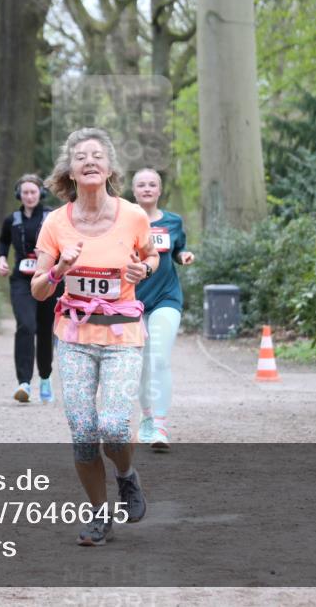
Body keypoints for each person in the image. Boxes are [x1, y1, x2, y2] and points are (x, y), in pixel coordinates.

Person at [31, 127, 159, 546]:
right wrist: (58, 270)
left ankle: (126, 476)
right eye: (80, 156)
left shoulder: (133, 216)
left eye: (97, 155)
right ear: (69, 169)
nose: (89, 161)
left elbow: (150, 255)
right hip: (73, 337)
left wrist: (146, 269)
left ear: (109, 168)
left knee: (116, 426)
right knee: (84, 431)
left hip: (122, 336)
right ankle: (99, 514)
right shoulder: (54, 223)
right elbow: (38, 289)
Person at [132, 168, 195, 451]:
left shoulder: (173, 221)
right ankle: (146, 418)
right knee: (140, 365)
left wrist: (184, 255)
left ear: (159, 191)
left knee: (158, 358)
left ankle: (159, 425)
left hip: (166, 298)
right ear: (134, 191)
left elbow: (179, 250)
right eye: (141, 185)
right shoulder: (123, 220)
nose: (147, 188)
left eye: (152, 184)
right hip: (131, 300)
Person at [0, 173, 61, 403]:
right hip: (21, 280)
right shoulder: (11, 219)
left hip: (48, 278)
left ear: (40, 194)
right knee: (26, 325)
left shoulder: (52, 216)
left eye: (33, 192)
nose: (29, 196)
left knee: (45, 330)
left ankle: (45, 377)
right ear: (19, 195)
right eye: (25, 192)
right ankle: (23, 383)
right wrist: (2, 259)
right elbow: (3, 241)